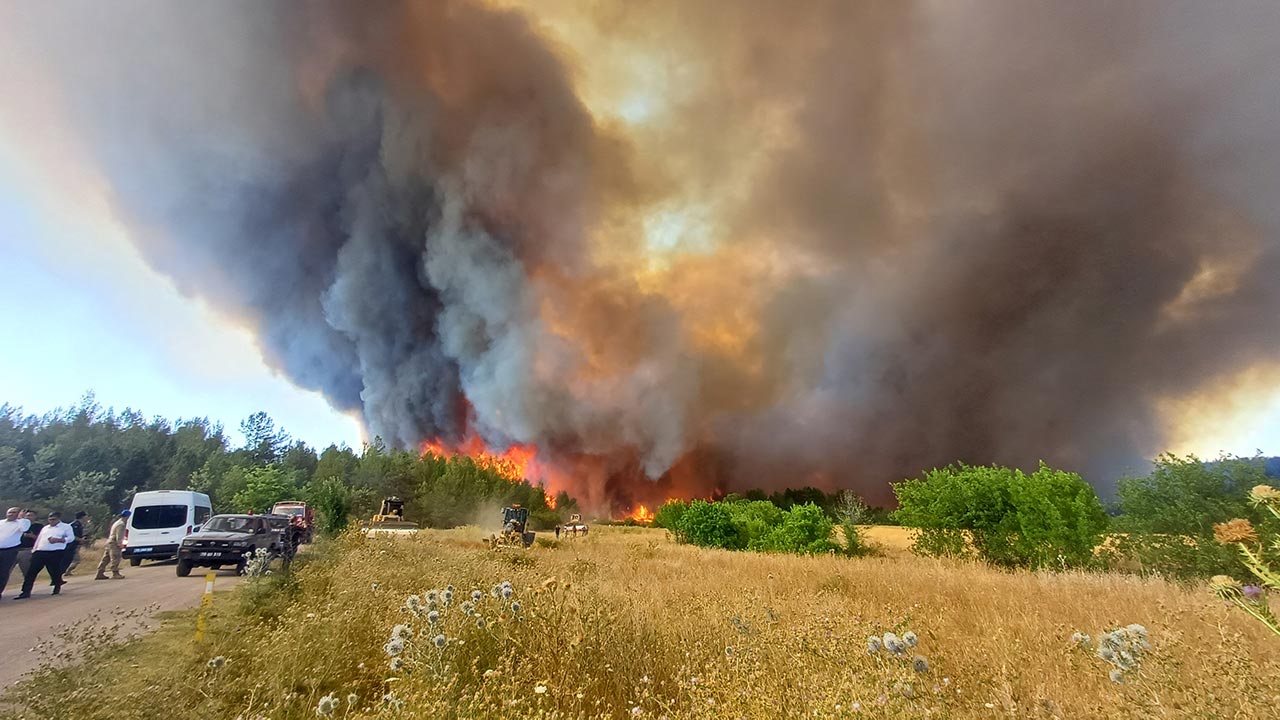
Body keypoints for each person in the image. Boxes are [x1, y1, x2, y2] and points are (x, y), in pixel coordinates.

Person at [15, 512, 75, 599]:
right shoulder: (45, 528)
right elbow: (39, 539)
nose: (51, 521)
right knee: (31, 572)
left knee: (54, 571)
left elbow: (71, 538)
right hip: (40, 551)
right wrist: (34, 550)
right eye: (50, 519)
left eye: (53, 519)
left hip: (55, 551)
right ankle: (25, 592)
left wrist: (59, 540)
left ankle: (57, 586)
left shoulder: (66, 527)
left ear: (58, 519)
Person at [0, 507, 31, 600]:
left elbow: (24, 528)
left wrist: (21, 518)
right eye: (9, 512)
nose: (11, 514)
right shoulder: (1, 523)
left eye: (14, 512)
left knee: (3, 571)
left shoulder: (22, 522)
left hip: (9, 550)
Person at [95, 510, 129, 580]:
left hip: (109, 542)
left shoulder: (117, 522)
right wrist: (120, 544)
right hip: (114, 542)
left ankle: (100, 572)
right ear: (127, 516)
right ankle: (115, 573)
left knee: (106, 558)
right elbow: (119, 535)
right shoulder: (121, 524)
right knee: (116, 557)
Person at [16, 510, 42, 577]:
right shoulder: (19, 525)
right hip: (15, 549)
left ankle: (27, 582)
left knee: (26, 570)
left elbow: (42, 539)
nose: (28, 517)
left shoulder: (38, 526)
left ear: (35, 517)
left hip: (28, 550)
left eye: (30, 515)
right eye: (27, 515)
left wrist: (32, 536)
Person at [63, 511, 88, 576]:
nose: (87, 517)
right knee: (76, 560)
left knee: (72, 559)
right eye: (85, 516)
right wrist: (81, 540)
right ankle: (66, 571)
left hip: (75, 544)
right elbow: (73, 536)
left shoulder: (80, 524)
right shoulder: (75, 525)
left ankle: (66, 571)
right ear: (82, 517)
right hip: (71, 545)